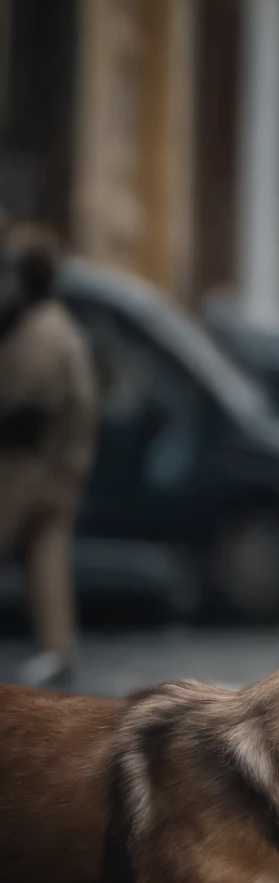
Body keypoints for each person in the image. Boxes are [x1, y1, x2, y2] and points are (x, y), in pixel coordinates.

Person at [0, 216, 97, 689]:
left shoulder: (40, 331)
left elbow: (22, 402)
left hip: (27, 469)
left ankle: (57, 652)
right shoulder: (55, 327)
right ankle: (57, 650)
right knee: (46, 558)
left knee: (44, 553)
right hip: (52, 469)